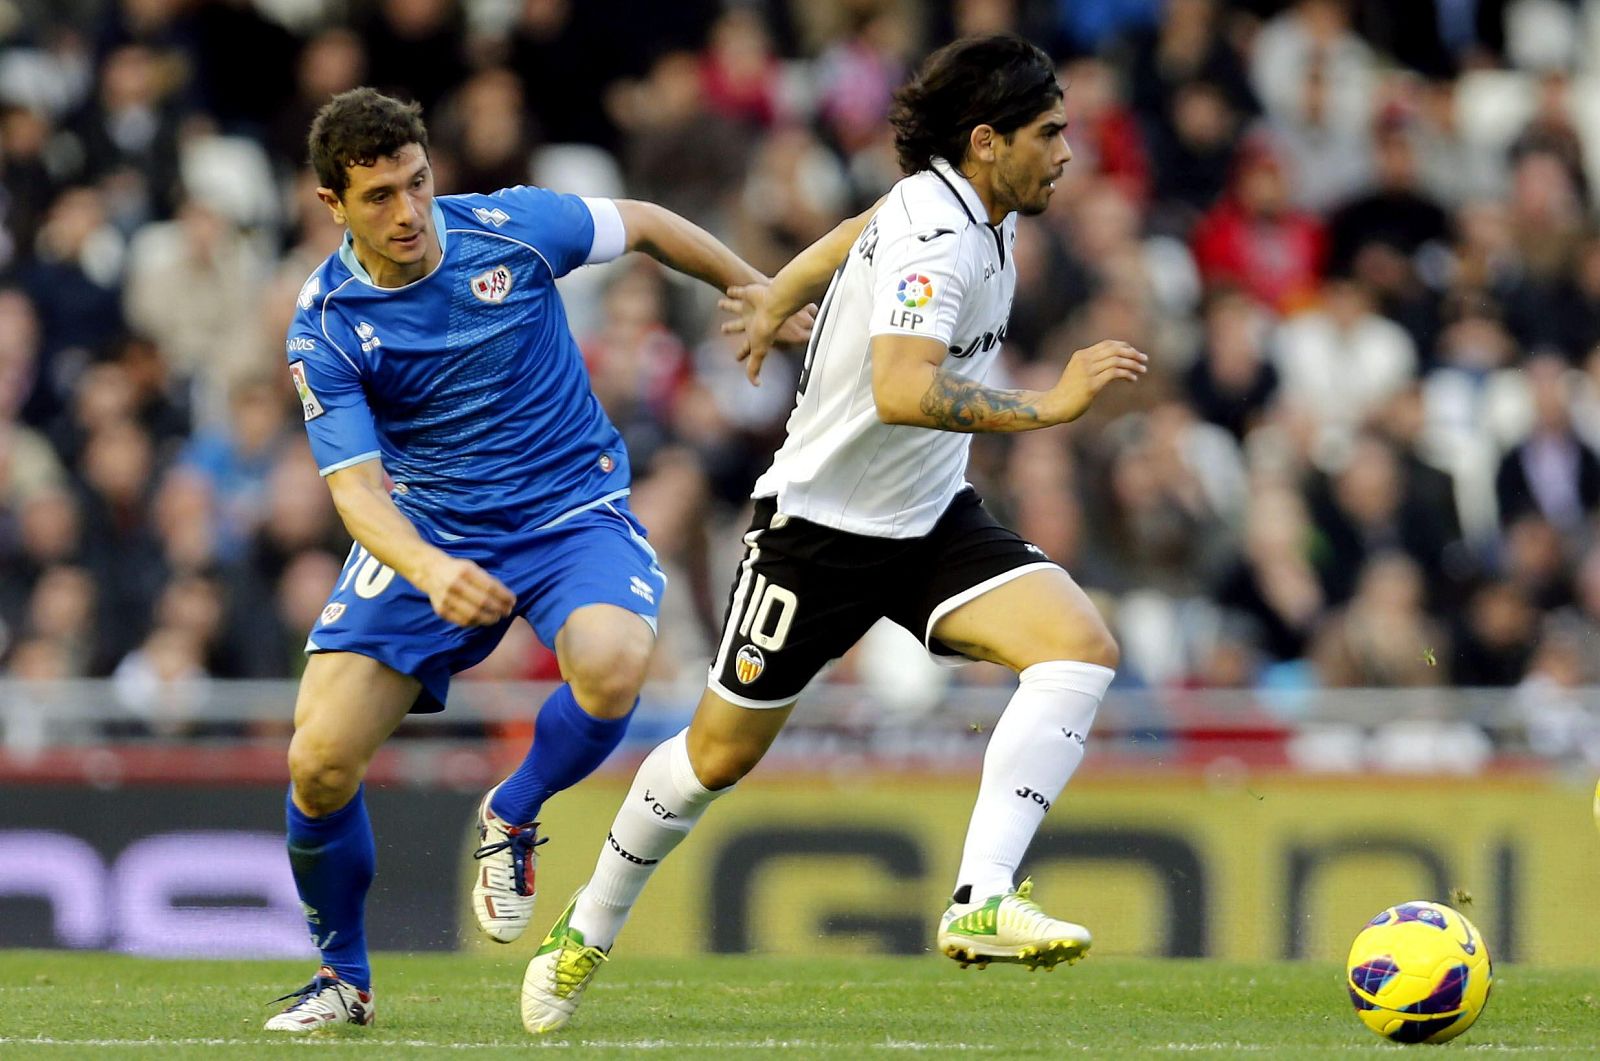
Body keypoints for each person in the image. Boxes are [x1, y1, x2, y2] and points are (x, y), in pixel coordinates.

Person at [520, 34, 1147, 1034]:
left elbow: (862, 222)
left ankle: (982, 895)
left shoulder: (964, 207)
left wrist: (781, 287)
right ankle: (587, 923)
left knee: (1078, 646)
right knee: (715, 757)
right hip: (817, 534)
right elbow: (899, 388)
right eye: (1049, 133)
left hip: (929, 519)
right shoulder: (940, 235)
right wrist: (1048, 404)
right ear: (986, 141)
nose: (1068, 152)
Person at [264, 87, 810, 1032]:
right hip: (434, 533)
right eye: (380, 196)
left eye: (417, 182)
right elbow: (355, 496)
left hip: (571, 512)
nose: (409, 211)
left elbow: (643, 224)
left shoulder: (511, 228)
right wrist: (430, 568)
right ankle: (344, 978)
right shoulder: (328, 323)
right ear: (332, 205)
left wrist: (755, 285)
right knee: (317, 762)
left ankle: (512, 812)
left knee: (613, 663)